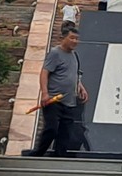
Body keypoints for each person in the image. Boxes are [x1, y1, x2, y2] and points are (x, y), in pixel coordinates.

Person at [31, 24, 88, 156]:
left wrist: (81, 88)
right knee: (51, 128)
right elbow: (44, 73)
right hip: (53, 99)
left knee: (65, 131)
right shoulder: (55, 53)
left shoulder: (75, 56)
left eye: (77, 39)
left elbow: (75, 75)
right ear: (63, 38)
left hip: (69, 101)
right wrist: (45, 93)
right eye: (72, 38)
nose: (75, 41)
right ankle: (38, 153)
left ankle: (59, 156)